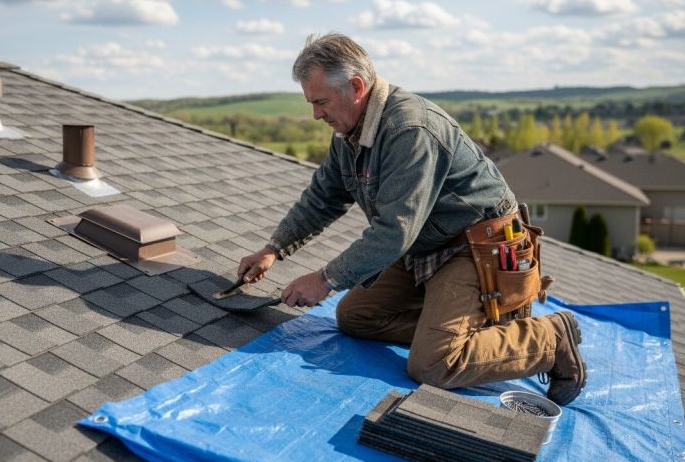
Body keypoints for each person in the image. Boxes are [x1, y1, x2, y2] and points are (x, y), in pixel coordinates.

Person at [237, 33, 586, 405]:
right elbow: (324, 196)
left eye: (321, 101)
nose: (316, 114)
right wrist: (273, 249)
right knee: (356, 318)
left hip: (475, 248)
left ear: (355, 87)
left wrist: (325, 279)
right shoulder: (350, 131)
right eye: (312, 103)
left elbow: (394, 231)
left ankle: (550, 338)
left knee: (434, 364)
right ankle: (464, 328)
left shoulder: (409, 130)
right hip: (426, 245)